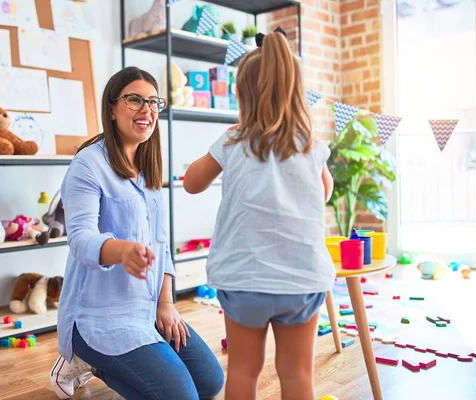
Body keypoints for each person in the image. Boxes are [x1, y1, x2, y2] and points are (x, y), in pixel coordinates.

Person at [51, 66, 224, 400]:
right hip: (97, 319)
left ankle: (106, 365)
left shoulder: (148, 170)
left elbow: (162, 245)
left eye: (153, 102)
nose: (147, 109)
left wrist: (166, 304)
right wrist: (121, 250)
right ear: (112, 108)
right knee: (181, 397)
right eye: (135, 100)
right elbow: (80, 238)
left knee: (209, 382)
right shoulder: (88, 164)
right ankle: (88, 357)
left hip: (146, 310)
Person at [182, 27, 335, 400]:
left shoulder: (233, 140)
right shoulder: (311, 144)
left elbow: (190, 183)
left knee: (243, 370)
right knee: (298, 375)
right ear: (296, 93)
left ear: (241, 95)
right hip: (301, 280)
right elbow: (326, 192)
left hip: (243, 278)